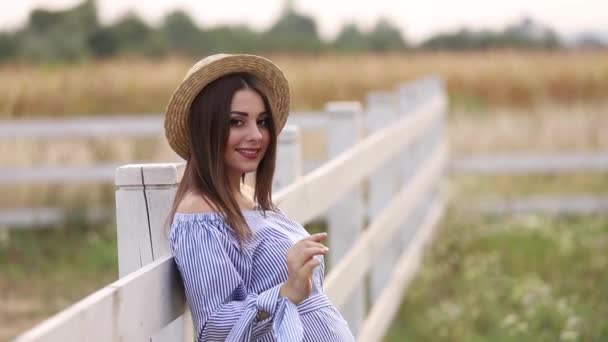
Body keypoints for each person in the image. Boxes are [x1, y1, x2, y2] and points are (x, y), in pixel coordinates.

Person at [163, 54, 355, 341]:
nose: (256, 135)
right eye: (237, 122)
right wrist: (285, 292)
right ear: (207, 129)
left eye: (263, 122)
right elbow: (215, 328)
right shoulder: (200, 215)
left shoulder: (249, 197)